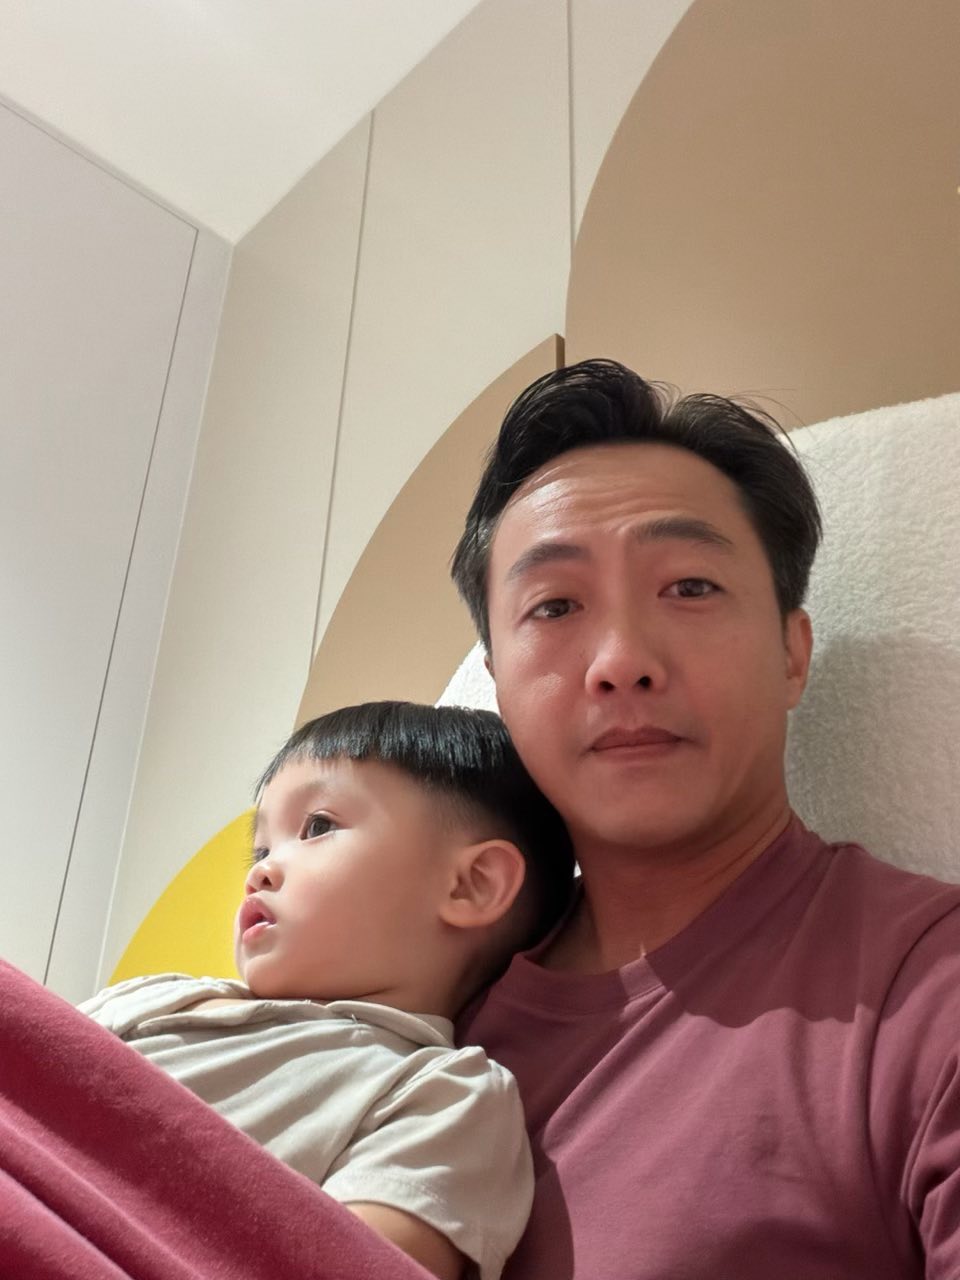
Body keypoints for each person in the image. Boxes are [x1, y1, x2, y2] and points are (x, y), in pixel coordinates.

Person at [450, 358, 960, 1279]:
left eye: (689, 586)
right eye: (555, 605)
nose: (621, 661)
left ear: (792, 653)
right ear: (498, 689)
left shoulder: (927, 993)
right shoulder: (418, 1011)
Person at [82, 700, 575, 1280]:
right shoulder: (152, 996)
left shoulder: (443, 1093)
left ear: (471, 885)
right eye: (261, 850)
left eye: (317, 827)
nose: (259, 872)